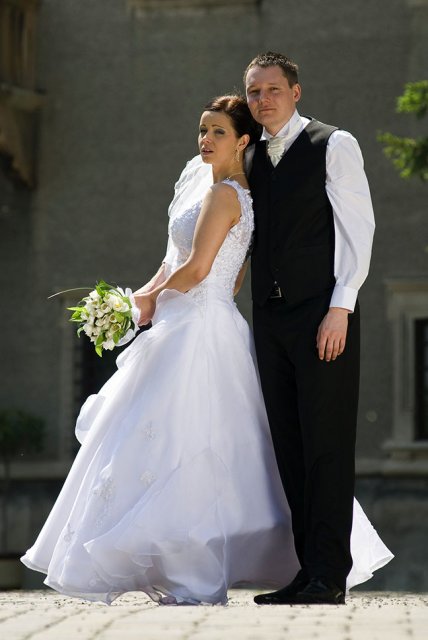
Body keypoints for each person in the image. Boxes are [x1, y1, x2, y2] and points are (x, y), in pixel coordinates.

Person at [21, 95, 392, 607]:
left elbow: (200, 270)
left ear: (242, 141)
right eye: (202, 130)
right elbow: (179, 262)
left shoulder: (227, 194)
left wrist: (149, 301)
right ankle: (186, 565)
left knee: (197, 444)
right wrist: (136, 299)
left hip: (201, 325)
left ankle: (204, 568)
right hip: (183, 318)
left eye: (218, 132)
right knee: (168, 439)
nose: (205, 140)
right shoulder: (202, 184)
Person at [244, 52, 379, 605]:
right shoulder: (249, 155)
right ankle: (308, 570)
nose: (263, 100)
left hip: (323, 314)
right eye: (254, 92)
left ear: (295, 92)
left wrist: (340, 306)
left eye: (273, 89)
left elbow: (358, 229)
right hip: (269, 318)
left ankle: (330, 575)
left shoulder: (334, 143)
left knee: (327, 444)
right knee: (290, 445)